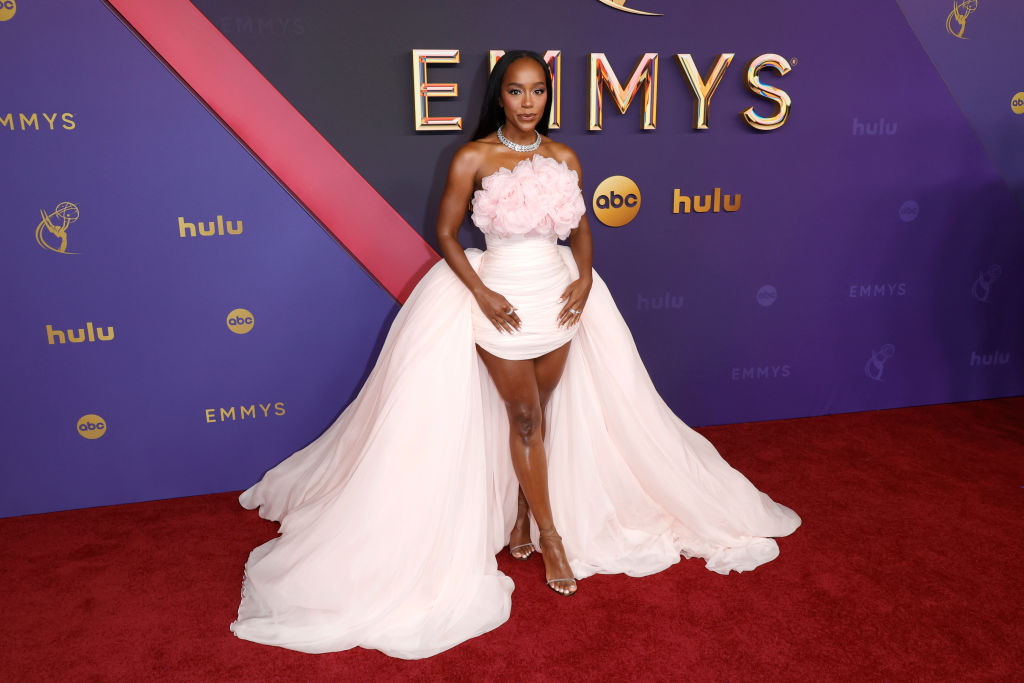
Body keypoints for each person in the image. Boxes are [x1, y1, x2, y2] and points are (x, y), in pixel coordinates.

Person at [230, 51, 800, 659]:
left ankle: (525, 514)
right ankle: (551, 537)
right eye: (515, 92)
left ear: (547, 96)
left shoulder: (565, 157)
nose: (527, 102)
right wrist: (481, 291)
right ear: (499, 97)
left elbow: (580, 226)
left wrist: (584, 277)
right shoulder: (472, 157)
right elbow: (448, 233)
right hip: (500, 300)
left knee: (541, 410)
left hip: (558, 298)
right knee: (525, 417)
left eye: (537, 91)